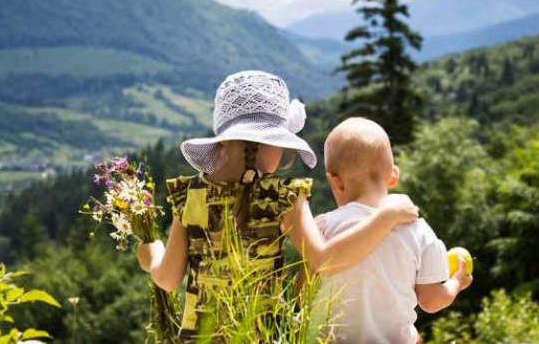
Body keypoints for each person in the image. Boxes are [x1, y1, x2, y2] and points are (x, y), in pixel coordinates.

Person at [135, 71, 420, 342]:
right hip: (262, 335)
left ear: (223, 142)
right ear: (269, 144)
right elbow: (323, 261)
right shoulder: (284, 197)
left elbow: (168, 279)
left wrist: (151, 254)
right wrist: (387, 216)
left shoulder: (189, 195)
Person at [315, 117, 473, 344]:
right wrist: (458, 280)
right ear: (393, 176)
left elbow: (303, 292)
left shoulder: (323, 227)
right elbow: (431, 301)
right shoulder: (419, 230)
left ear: (336, 182)